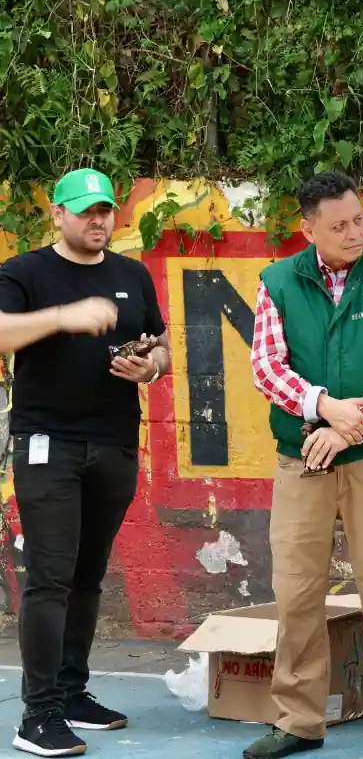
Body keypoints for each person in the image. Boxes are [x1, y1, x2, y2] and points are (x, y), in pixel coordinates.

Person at [243, 172, 363, 759]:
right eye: (340, 225)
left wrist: (353, 426)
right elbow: (267, 367)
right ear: (309, 228)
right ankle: (297, 721)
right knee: (297, 590)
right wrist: (323, 408)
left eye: (359, 220)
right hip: (303, 456)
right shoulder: (276, 282)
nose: (355, 233)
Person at [0, 168, 169, 757]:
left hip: (116, 441)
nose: (99, 221)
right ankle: (36, 717)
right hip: (49, 443)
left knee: (88, 577)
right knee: (49, 579)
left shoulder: (130, 274)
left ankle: (71, 694)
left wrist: (151, 366)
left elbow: (160, 344)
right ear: (58, 214)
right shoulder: (24, 272)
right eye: (86, 211)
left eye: (106, 211)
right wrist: (63, 317)